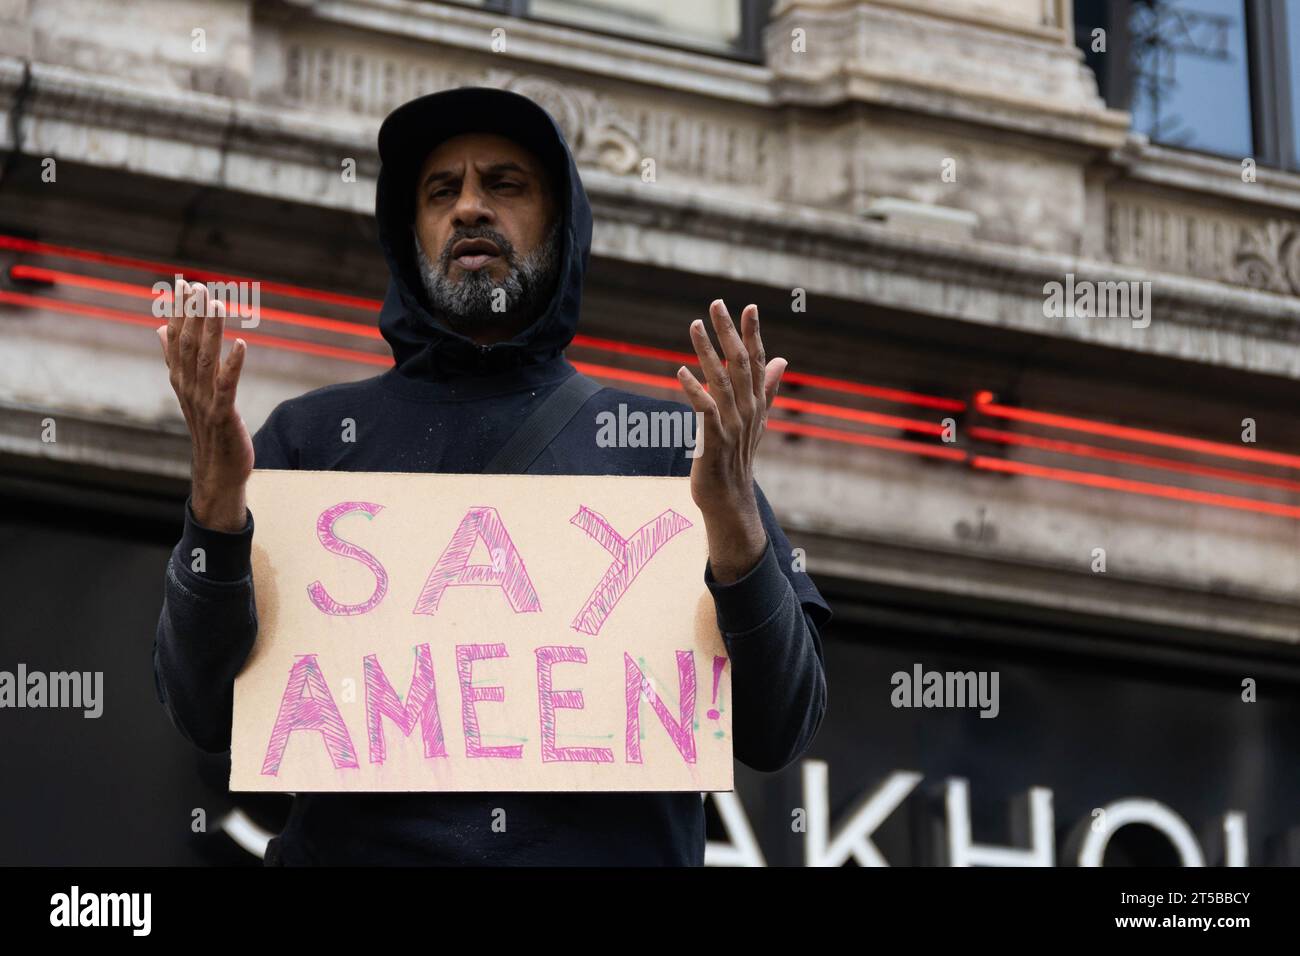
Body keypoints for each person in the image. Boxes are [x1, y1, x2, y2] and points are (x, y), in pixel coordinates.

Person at [152, 87, 830, 865]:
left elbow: (781, 725)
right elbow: (202, 714)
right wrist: (214, 512)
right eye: (442, 191)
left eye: (504, 185)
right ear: (410, 235)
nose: (470, 208)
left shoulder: (674, 448)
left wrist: (734, 527)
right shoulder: (306, 442)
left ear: (561, 222)